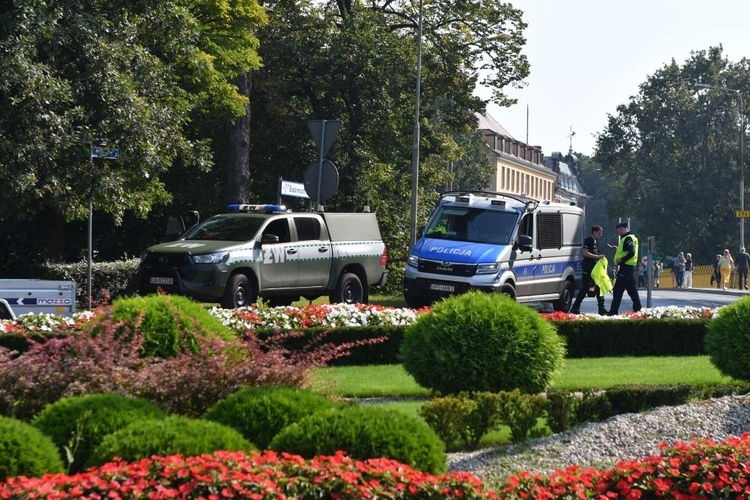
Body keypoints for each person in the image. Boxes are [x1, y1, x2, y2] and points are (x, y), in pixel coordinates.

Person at [569, 225, 607, 315]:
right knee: (585, 288)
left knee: (598, 287)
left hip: (595, 267)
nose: (600, 235)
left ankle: (602, 308)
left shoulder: (596, 241)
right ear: (594, 232)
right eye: (599, 232)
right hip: (588, 267)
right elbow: (585, 253)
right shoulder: (588, 240)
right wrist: (597, 256)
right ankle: (575, 307)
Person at [608, 222, 642, 315]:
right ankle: (638, 309)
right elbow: (626, 251)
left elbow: (631, 252)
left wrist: (622, 260)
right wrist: (617, 250)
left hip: (626, 267)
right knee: (632, 290)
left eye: (618, 231)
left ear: (623, 229)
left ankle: (613, 311)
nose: (618, 233)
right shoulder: (631, 238)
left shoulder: (628, 238)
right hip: (629, 267)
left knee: (618, 289)